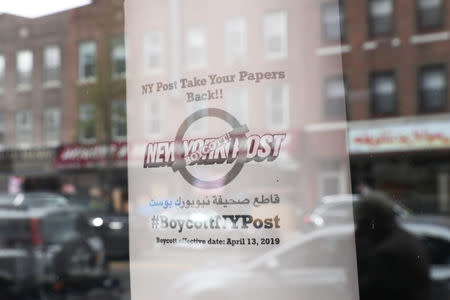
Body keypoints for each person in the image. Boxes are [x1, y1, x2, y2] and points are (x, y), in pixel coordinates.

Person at [354, 191, 431, 300]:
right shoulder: (408, 240)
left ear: (373, 221)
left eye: (362, 223)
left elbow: (371, 292)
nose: (359, 230)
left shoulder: (389, 252)